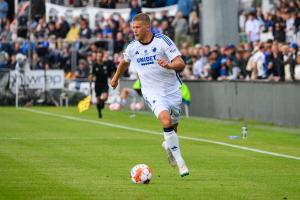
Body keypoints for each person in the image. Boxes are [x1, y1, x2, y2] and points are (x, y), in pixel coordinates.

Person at [110, 13, 189, 177]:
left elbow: (180, 63)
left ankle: (169, 146)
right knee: (165, 120)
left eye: (137, 27)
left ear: (147, 27)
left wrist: (168, 65)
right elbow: (124, 62)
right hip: (151, 91)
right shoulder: (132, 47)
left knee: (173, 127)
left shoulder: (163, 41)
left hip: (172, 90)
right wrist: (116, 78)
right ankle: (181, 163)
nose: (134, 31)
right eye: (133, 28)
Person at [90, 51, 115, 118]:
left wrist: (113, 79)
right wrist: (90, 84)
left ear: (102, 56)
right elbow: (92, 75)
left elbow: (112, 72)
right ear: (96, 57)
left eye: (100, 56)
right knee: (97, 100)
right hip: (97, 84)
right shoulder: (95, 65)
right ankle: (99, 113)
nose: (99, 57)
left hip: (104, 83)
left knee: (106, 97)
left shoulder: (106, 64)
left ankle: (102, 102)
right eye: (98, 56)